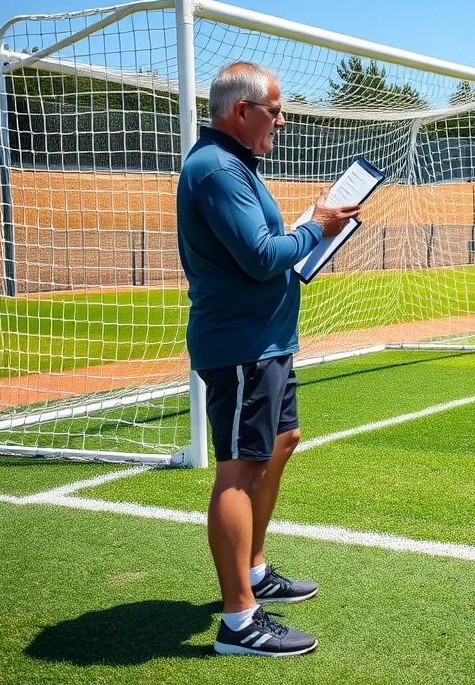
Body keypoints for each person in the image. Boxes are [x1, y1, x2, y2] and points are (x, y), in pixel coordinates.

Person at [177, 61, 358, 657]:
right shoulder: (215, 169)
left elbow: (264, 246)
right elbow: (259, 256)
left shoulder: (237, 167)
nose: (281, 121)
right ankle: (239, 622)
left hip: (267, 341)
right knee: (239, 467)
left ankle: (253, 571)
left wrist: (309, 226)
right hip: (240, 346)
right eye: (275, 110)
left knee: (281, 442)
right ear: (241, 112)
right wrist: (318, 228)